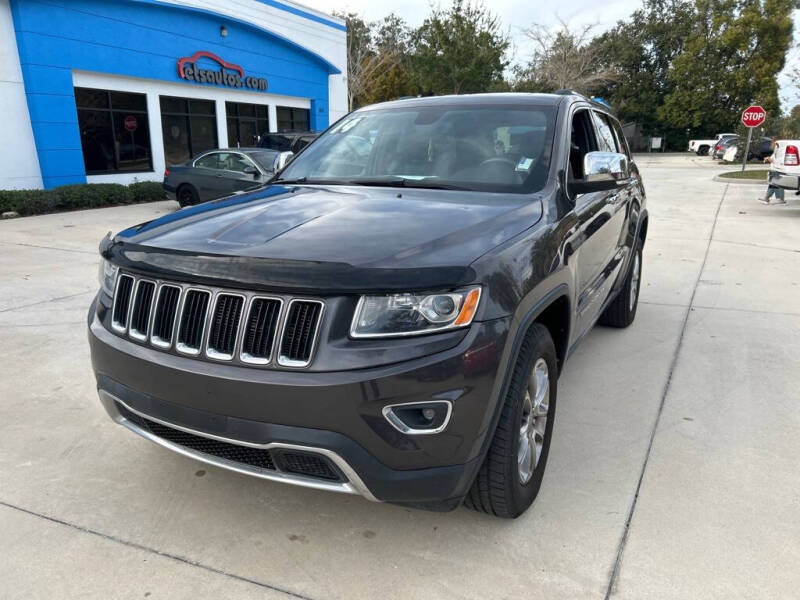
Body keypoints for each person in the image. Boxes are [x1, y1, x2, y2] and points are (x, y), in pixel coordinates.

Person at [760, 137, 787, 205]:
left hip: (778, 169)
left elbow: (779, 160)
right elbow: (772, 159)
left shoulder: (780, 151)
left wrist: (770, 160)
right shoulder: (776, 151)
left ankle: (776, 199)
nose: (770, 145)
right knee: (774, 184)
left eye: (772, 143)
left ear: (776, 143)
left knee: (776, 184)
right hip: (775, 169)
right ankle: (771, 198)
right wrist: (767, 159)